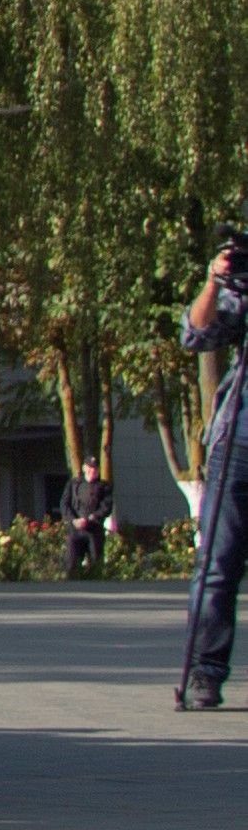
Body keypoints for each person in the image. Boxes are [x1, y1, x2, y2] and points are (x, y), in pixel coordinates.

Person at [181, 227, 248, 709]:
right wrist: (214, 281)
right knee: (218, 566)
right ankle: (205, 671)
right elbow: (196, 335)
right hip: (238, 443)